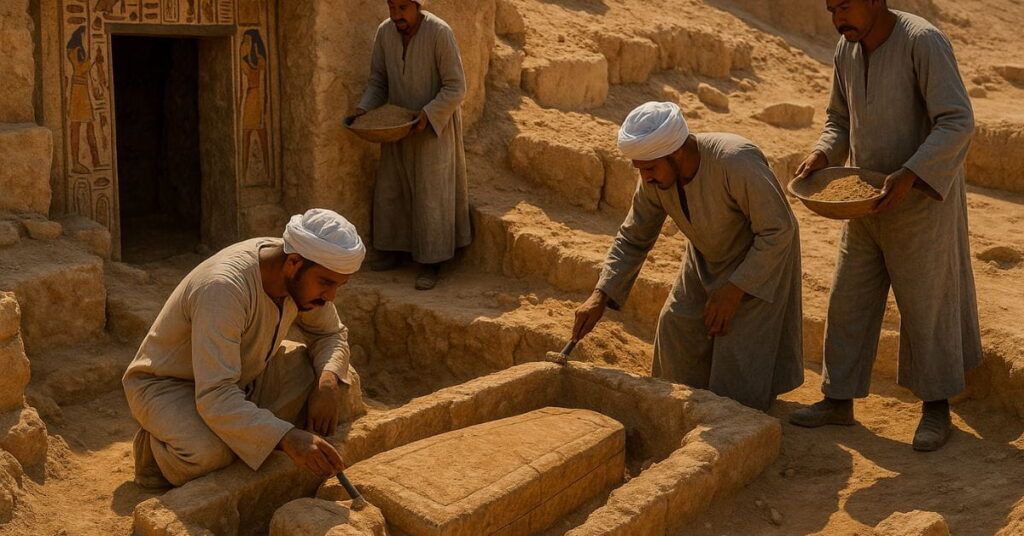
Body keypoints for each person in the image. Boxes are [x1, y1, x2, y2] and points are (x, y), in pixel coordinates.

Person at [788, 0, 980, 452]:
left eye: (846, 7)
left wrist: (911, 173)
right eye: (831, 9)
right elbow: (839, 119)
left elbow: (957, 120)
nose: (838, 19)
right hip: (861, 200)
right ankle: (838, 399)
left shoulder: (922, 41)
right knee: (848, 298)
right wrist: (823, 154)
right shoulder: (845, 49)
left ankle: (936, 408)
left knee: (925, 307)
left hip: (920, 207)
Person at [573, 102, 804, 411]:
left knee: (738, 359)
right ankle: (672, 416)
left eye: (651, 169)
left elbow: (779, 230)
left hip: (759, 261)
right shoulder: (654, 177)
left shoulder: (735, 161)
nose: (646, 178)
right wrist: (600, 295)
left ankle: (738, 427)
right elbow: (633, 237)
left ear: (677, 152)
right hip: (704, 258)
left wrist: (734, 291)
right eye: (640, 170)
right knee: (676, 326)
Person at [122, 209, 365, 488]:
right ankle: (154, 451)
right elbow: (215, 393)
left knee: (339, 381)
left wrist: (327, 382)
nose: (331, 296)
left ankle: (244, 426)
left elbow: (331, 334)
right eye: (326, 283)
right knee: (210, 454)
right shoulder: (223, 289)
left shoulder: (299, 270)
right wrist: (286, 438)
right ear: (294, 264)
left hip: (243, 375)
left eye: (338, 285)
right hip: (169, 386)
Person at [355, 0, 471, 290]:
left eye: (403, 8)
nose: (396, 15)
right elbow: (378, 82)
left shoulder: (439, 32)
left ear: (417, 6)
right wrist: (364, 110)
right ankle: (396, 252)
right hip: (396, 126)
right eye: (392, 7)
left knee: (432, 195)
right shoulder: (385, 32)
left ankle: (432, 262)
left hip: (433, 128)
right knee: (392, 190)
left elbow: (456, 86)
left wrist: (428, 114)